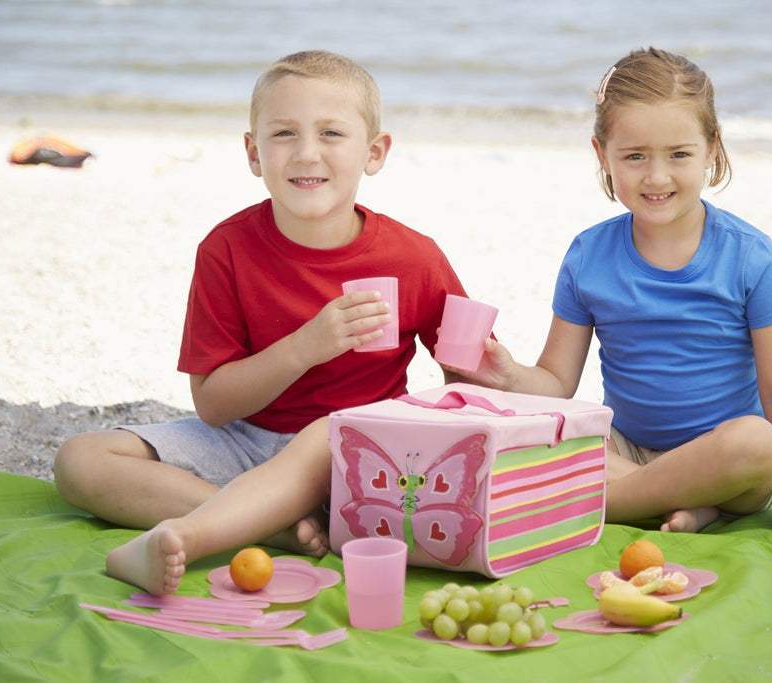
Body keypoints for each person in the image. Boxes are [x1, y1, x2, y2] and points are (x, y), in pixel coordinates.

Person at [53, 50, 471, 595]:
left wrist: (484, 373)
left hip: (355, 461)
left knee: (332, 435)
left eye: (330, 133)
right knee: (80, 461)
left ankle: (225, 522)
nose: (306, 152)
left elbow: (466, 386)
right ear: (254, 153)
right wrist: (304, 347)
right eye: (283, 133)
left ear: (374, 152)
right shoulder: (226, 249)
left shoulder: (415, 258)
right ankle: (273, 525)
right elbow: (213, 405)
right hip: (245, 441)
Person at [460, 47, 772, 549]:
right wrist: (508, 376)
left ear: (712, 148)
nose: (657, 176)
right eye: (634, 156)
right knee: (549, 432)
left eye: (679, 154)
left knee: (759, 442)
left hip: (726, 460)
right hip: (624, 448)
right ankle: (681, 501)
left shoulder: (751, 257)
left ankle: (611, 502)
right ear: (602, 154)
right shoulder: (588, 256)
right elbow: (557, 383)